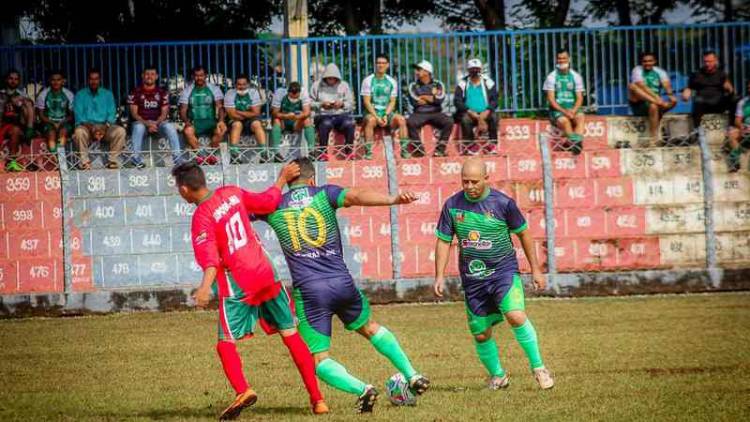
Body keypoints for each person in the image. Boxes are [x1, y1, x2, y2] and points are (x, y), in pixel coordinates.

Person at [257, 157, 430, 413]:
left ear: (288, 178)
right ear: (312, 179)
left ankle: (362, 389)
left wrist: (278, 183)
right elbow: (358, 195)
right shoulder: (325, 194)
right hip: (342, 283)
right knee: (371, 328)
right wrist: (393, 199)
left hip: (310, 291)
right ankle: (412, 374)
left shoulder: (274, 206)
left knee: (318, 359)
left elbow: (245, 209)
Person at [173, 160, 328, 419]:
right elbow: (267, 202)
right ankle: (318, 400)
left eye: (178, 188)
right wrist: (281, 179)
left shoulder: (202, 216)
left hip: (239, 282)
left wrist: (203, 288)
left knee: (225, 342)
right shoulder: (231, 192)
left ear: (186, 189)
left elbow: (211, 259)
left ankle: (243, 390)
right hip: (267, 272)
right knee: (290, 335)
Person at [433, 158, 554, 391]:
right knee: (480, 333)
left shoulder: (503, 204)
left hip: (503, 272)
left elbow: (524, 235)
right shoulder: (452, 205)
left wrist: (536, 269)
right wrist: (439, 275)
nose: (469, 186)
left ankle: (539, 368)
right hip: (473, 279)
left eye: (474, 182)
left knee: (516, 316)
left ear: (486, 179)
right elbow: (443, 241)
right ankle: (498, 376)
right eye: (464, 181)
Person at [127, 65, 181, 168]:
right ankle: (136, 158)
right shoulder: (136, 92)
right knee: (138, 127)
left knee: (169, 126)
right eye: (147, 74)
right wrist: (148, 124)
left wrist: (155, 123)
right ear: (142, 76)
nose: (149, 76)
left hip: (158, 124)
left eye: (152, 74)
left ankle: (177, 158)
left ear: (156, 76)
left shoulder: (162, 92)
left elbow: (164, 113)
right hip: (142, 124)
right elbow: (134, 113)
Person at [72, 68, 126, 169]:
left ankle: (112, 161)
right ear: (88, 80)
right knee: (79, 132)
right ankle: (84, 162)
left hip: (105, 127)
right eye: (91, 79)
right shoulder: (80, 95)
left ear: (100, 80)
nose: (94, 81)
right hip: (87, 127)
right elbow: (79, 116)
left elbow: (112, 114)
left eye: (96, 79)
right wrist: (92, 128)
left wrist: (104, 127)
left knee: (120, 131)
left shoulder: (107, 94)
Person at [360, 54, 408, 160]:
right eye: (378, 63)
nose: (380, 65)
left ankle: (404, 151)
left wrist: (385, 115)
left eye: (383, 63)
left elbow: (392, 102)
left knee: (401, 120)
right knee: (371, 121)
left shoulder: (392, 81)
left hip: (386, 113)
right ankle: (368, 152)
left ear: (387, 65)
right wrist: (377, 117)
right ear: (375, 65)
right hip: (372, 112)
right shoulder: (368, 80)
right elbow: (367, 102)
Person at [179, 65, 227, 164]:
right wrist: (187, 122)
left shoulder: (214, 89)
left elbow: (220, 107)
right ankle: (199, 156)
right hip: (195, 123)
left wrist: (221, 121)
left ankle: (211, 155)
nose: (199, 78)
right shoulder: (187, 91)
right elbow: (183, 110)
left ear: (206, 76)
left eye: (201, 75)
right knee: (188, 131)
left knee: (222, 130)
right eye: (196, 75)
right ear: (193, 77)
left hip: (211, 122)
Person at [406, 60, 452, 158]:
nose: (416, 72)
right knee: (410, 122)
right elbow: (414, 101)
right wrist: (431, 98)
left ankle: (440, 150)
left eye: (419, 69)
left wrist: (423, 97)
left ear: (427, 72)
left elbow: (439, 99)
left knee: (449, 121)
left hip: (436, 112)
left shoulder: (438, 84)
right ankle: (419, 150)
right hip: (419, 113)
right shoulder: (413, 85)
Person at [628, 52, 677, 143]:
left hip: (655, 104)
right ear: (641, 62)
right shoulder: (637, 69)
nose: (647, 63)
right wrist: (656, 99)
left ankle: (653, 138)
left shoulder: (659, 71)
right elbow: (641, 86)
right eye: (645, 61)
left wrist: (670, 95)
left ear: (655, 61)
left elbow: (666, 85)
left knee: (664, 103)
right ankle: (656, 103)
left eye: (650, 61)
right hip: (639, 102)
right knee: (632, 86)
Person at [543, 50, 585, 154]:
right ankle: (576, 144)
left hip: (573, 108)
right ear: (556, 60)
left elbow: (579, 97)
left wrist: (573, 111)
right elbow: (551, 100)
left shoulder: (576, 76)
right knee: (565, 121)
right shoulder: (551, 77)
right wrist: (565, 112)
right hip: (557, 110)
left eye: (564, 58)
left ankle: (572, 143)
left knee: (580, 118)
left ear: (569, 59)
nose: (562, 61)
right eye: (559, 58)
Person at [453, 59, 499, 155]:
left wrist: (486, 111)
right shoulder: (463, 83)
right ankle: (471, 146)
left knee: (494, 117)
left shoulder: (488, 82)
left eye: (477, 69)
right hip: (469, 112)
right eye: (472, 69)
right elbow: (457, 101)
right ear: (468, 71)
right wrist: (470, 111)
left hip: (485, 112)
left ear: (481, 70)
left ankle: (492, 145)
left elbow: (495, 99)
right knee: (465, 120)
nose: (475, 71)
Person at [309, 63, 355, 160]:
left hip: (340, 115)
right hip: (322, 115)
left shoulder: (344, 85)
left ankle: (349, 151)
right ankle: (323, 153)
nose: (331, 80)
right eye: (329, 78)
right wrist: (321, 104)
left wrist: (342, 104)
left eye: (334, 78)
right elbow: (309, 103)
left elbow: (350, 103)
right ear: (325, 77)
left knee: (350, 123)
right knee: (326, 124)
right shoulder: (316, 85)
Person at [682, 50, 735, 128]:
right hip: (703, 101)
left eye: (710, 61)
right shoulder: (697, 74)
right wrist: (686, 93)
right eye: (705, 61)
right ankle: (698, 130)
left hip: (718, 102)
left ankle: (732, 127)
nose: (707, 64)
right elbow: (689, 88)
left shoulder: (721, 74)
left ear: (715, 61)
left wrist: (730, 89)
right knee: (698, 100)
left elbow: (730, 88)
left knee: (734, 99)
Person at [224, 74, 268, 163]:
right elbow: (232, 114)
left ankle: (264, 154)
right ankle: (234, 156)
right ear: (235, 85)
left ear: (248, 84)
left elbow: (256, 112)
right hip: (235, 120)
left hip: (250, 120)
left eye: (244, 84)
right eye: (239, 84)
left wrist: (238, 111)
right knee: (237, 124)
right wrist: (249, 113)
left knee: (257, 124)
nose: (242, 87)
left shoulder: (253, 92)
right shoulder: (230, 93)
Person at [0, 69, 36, 171]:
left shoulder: (22, 94)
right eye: (11, 78)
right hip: (3, 124)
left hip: (18, 125)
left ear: (19, 81)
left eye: (16, 79)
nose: (13, 81)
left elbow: (30, 107)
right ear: (6, 80)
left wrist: (21, 100)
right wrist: (10, 100)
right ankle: (8, 163)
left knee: (27, 105)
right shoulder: (1, 93)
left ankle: (12, 161)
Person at [270, 82, 315, 160]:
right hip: (283, 121)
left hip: (297, 122)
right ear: (288, 92)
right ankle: (276, 153)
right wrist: (286, 116)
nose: (294, 99)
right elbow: (274, 113)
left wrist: (297, 117)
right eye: (291, 97)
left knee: (307, 120)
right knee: (276, 120)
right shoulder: (280, 93)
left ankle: (312, 151)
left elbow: (307, 112)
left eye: (296, 97)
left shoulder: (304, 93)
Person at [35, 69, 74, 156]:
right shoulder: (43, 94)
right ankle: (56, 159)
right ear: (49, 81)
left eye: (58, 80)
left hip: (64, 122)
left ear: (63, 81)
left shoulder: (69, 94)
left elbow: (72, 116)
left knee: (63, 133)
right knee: (51, 134)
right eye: (53, 80)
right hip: (47, 122)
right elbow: (41, 115)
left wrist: (61, 122)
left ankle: (60, 158)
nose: (56, 82)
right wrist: (52, 123)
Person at [726, 81, 750, 172]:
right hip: (747, 129)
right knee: (732, 134)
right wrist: (742, 127)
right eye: (748, 87)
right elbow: (737, 120)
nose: (749, 88)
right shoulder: (743, 102)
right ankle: (734, 163)